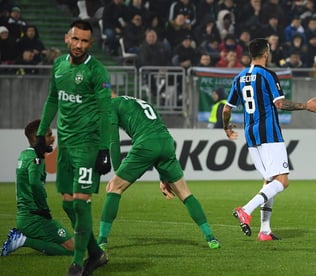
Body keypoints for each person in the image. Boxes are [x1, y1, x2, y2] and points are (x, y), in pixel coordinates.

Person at [33, 20, 112, 276]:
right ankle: (97, 254)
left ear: (92, 43)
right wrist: (41, 134)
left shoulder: (97, 71)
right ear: (68, 38)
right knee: (67, 204)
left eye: (84, 41)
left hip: (88, 145)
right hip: (65, 145)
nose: (79, 45)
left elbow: (105, 111)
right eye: (75, 39)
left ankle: (78, 263)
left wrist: (104, 149)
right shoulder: (58, 65)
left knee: (80, 204)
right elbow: (53, 99)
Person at [97, 92, 221, 252]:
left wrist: (118, 172)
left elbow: (113, 140)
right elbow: (155, 133)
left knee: (114, 187)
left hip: (146, 143)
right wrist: (164, 177)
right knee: (185, 193)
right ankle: (211, 238)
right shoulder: (139, 101)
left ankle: (101, 241)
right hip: (166, 141)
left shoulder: (110, 106)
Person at [222, 38, 316, 240]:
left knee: (269, 180)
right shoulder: (267, 75)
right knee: (282, 181)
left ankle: (265, 230)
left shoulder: (239, 77)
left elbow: (226, 109)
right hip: (269, 132)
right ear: (266, 53)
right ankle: (246, 210)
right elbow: (280, 104)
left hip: (251, 134)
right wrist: (305, 106)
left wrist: (226, 128)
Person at [1, 119, 74, 257]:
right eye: (49, 135)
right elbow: (34, 183)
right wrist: (44, 208)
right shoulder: (37, 159)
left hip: (25, 216)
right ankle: (23, 240)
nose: (53, 139)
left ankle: (22, 238)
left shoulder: (24, 154)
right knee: (74, 250)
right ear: (36, 138)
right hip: (35, 218)